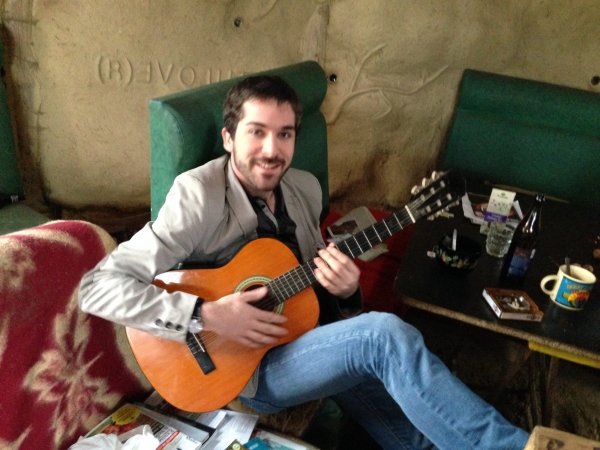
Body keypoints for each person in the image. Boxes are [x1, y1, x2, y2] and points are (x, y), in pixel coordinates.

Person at [79, 75, 529, 449]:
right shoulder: (197, 196)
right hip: (243, 371)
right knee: (384, 336)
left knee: (412, 431)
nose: (271, 150)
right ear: (229, 138)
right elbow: (98, 288)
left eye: (285, 134)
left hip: (306, 339)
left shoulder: (304, 189)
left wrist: (346, 291)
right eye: (257, 131)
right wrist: (206, 314)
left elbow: (309, 286)